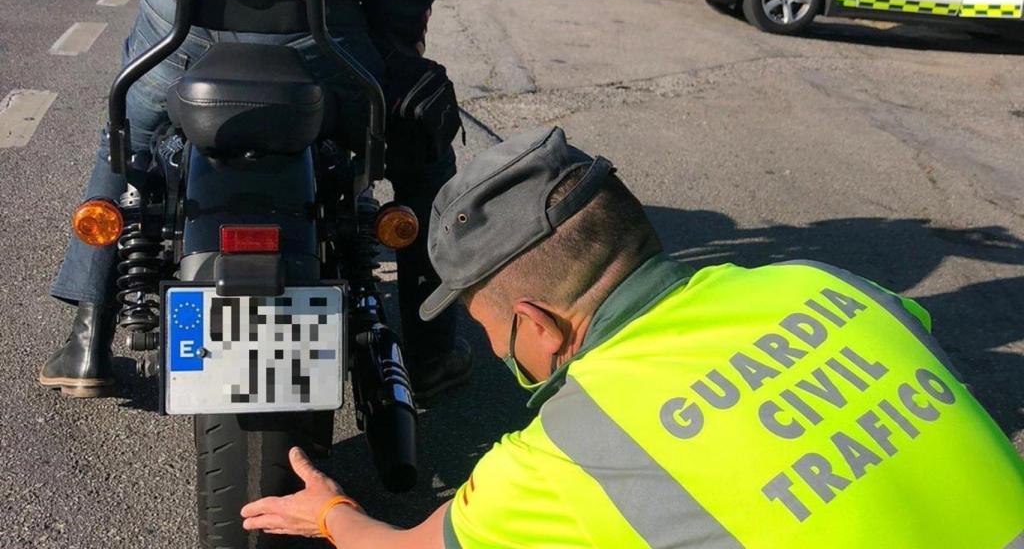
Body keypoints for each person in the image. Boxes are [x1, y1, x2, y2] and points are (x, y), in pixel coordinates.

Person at [240, 126, 1024, 548]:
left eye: (485, 329)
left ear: (535, 325)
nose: (491, 351)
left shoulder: (568, 455)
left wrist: (331, 512)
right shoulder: (827, 285)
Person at [41, 0, 471, 401]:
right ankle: (430, 356)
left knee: (126, 142)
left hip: (178, 31)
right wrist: (395, 37)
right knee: (424, 155)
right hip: (320, 37)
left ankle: (88, 343)